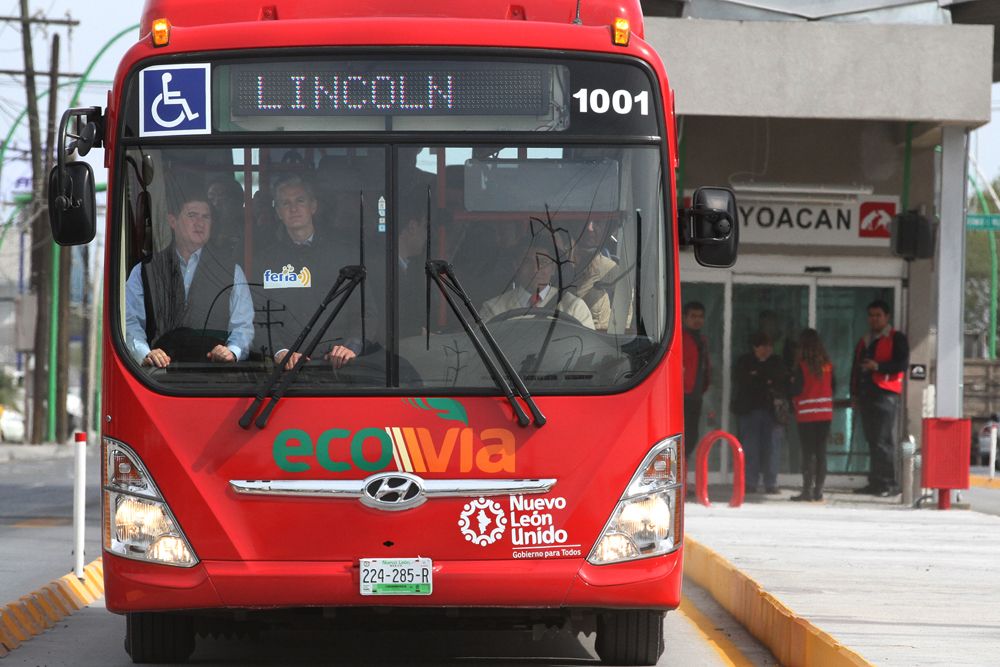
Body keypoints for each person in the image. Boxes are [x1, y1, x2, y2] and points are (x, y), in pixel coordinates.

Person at [124, 189, 254, 368]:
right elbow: (130, 322)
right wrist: (145, 353)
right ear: (173, 221)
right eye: (192, 215)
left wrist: (232, 351)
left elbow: (243, 325)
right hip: (157, 379)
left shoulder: (231, 271)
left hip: (216, 377)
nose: (199, 223)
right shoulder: (145, 270)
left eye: (206, 217)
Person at [254, 174, 363, 369]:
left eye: (300, 201)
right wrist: (279, 351)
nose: (293, 208)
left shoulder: (344, 253)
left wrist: (351, 346)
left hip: (337, 365)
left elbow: (365, 310)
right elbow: (256, 315)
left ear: (313, 206)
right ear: (278, 211)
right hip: (283, 369)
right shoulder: (264, 260)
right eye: (285, 203)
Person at [850, 299, 909, 497]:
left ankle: (889, 483)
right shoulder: (865, 339)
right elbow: (855, 369)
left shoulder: (896, 338)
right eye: (871, 315)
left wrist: (878, 367)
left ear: (887, 317)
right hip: (867, 395)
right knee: (872, 440)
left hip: (886, 394)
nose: (874, 319)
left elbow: (901, 364)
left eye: (878, 315)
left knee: (883, 441)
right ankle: (875, 482)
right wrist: (855, 394)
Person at [480, 237, 595, 329]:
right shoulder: (493, 309)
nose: (535, 269)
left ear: (553, 268)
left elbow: (589, 351)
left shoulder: (574, 307)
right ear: (516, 267)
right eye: (527, 262)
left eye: (543, 262)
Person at [732, 331, 788, 494]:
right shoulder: (745, 361)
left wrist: (757, 376)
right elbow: (743, 380)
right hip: (749, 411)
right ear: (755, 347)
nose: (766, 350)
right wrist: (763, 378)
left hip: (772, 412)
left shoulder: (777, 361)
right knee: (750, 448)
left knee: (772, 448)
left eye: (769, 346)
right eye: (763, 346)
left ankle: (771, 483)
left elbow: (779, 379)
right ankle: (750, 482)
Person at [790, 329, 835, 502]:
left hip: (807, 414)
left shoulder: (801, 365)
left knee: (808, 453)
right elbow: (834, 386)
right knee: (821, 452)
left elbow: (797, 389)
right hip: (824, 414)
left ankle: (807, 490)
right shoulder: (827, 366)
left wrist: (790, 385)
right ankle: (819, 491)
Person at [682, 301, 711, 465]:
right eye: (693, 316)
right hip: (683, 394)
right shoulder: (679, 336)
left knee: (692, 436)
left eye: (700, 317)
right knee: (684, 437)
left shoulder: (701, 339)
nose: (697, 320)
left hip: (695, 394)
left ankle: (684, 475)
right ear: (684, 317)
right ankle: (682, 477)